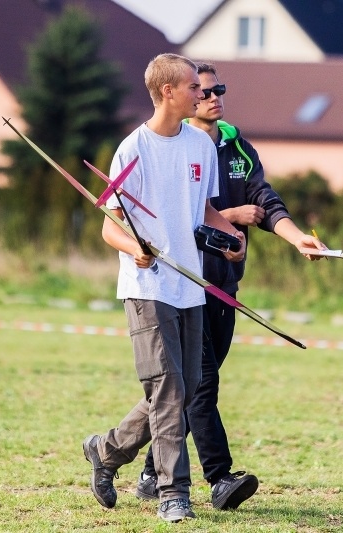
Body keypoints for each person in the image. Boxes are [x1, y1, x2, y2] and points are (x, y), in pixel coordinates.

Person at [135, 62, 327, 510]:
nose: (213, 97)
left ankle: (144, 468)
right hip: (186, 285)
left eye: (217, 89)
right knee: (200, 386)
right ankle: (219, 479)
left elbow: (266, 202)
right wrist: (231, 215)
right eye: (201, 91)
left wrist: (297, 238)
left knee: (187, 389)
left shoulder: (238, 147)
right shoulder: (175, 147)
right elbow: (181, 211)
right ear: (179, 96)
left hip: (225, 287)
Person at [82, 53, 246, 523]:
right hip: (146, 285)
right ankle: (175, 493)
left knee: (185, 385)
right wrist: (133, 247)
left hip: (189, 285)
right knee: (169, 388)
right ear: (168, 92)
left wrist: (230, 237)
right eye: (195, 87)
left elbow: (205, 210)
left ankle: (106, 452)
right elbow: (109, 225)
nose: (204, 93)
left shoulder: (200, 146)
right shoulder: (132, 149)